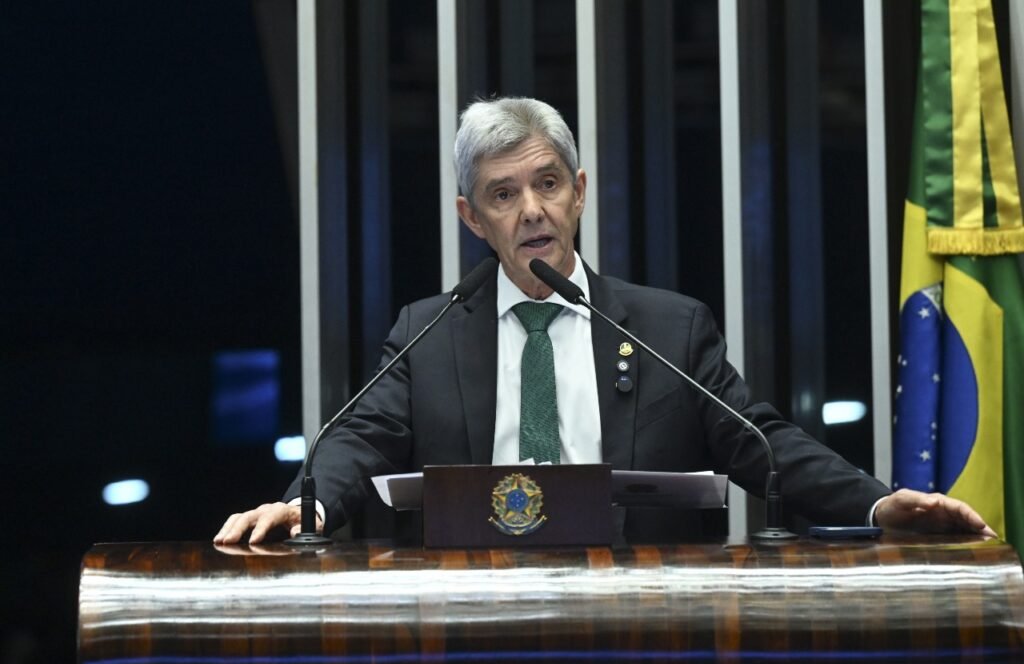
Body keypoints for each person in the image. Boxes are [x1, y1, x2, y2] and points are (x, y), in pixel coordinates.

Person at [215, 97, 994, 545]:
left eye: (548, 184)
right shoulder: (430, 332)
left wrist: (876, 503)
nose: (532, 211)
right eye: (503, 195)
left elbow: (763, 443)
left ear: (579, 192)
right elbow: (358, 440)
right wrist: (307, 505)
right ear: (472, 219)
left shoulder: (667, 328)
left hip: (642, 624)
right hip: (469, 621)